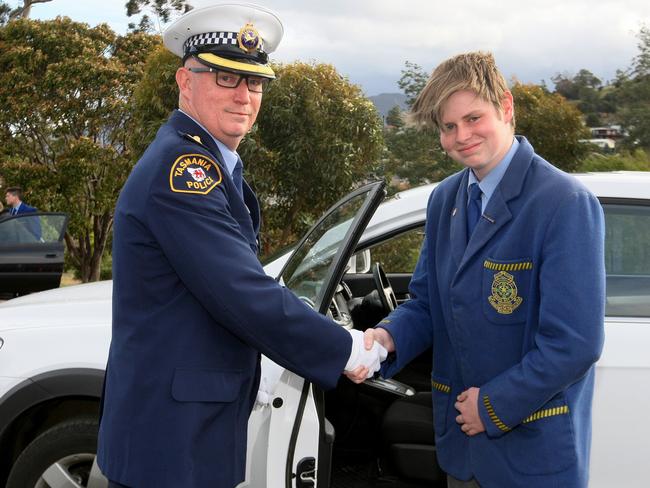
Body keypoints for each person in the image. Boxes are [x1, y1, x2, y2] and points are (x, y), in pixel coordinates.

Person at [96, 4, 385, 488]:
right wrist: (346, 348)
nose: (244, 96)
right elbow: (241, 292)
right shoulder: (183, 173)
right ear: (184, 82)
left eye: (254, 82)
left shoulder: (215, 164)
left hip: (185, 427)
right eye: (225, 79)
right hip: (172, 441)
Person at [351, 52, 605, 488]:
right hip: (462, 453)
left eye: (473, 118)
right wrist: (387, 338)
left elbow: (574, 344)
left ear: (506, 107)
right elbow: (429, 303)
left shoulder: (563, 203)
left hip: (531, 451)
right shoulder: (445, 199)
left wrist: (490, 406)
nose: (461, 136)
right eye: (448, 127)